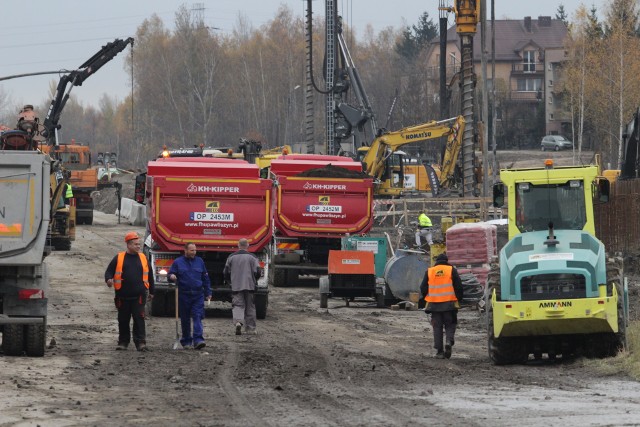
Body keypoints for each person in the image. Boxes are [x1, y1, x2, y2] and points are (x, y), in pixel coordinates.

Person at [104, 232, 154, 351]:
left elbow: (150, 275)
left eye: (139, 244)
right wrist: (108, 279)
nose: (138, 246)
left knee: (139, 318)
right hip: (122, 296)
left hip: (139, 296)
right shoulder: (119, 257)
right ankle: (123, 342)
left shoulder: (143, 258)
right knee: (123, 319)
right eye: (136, 244)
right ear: (129, 245)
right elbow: (109, 271)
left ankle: (141, 343)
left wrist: (152, 291)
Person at [168, 242, 212, 350]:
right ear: (186, 250)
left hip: (198, 294)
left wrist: (208, 292)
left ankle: (198, 340)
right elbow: (170, 274)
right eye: (192, 250)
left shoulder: (200, 261)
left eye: (195, 250)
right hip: (184, 294)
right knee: (185, 318)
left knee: (197, 316)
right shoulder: (178, 262)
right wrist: (172, 276)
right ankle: (186, 341)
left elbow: (205, 278)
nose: (194, 252)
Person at [420, 253, 463, 359]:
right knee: (450, 324)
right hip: (449, 305)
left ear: (437, 261)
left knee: (437, 327)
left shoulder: (430, 271)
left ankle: (439, 352)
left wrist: (428, 297)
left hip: (434, 305)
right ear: (447, 261)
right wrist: (458, 299)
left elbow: (423, 287)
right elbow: (459, 287)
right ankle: (448, 341)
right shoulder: (451, 270)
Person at [223, 238, 261, 336]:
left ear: (238, 245)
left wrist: (230, 282)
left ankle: (238, 322)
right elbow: (258, 272)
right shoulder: (252, 257)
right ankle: (251, 329)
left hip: (236, 285)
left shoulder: (231, 257)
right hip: (250, 285)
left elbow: (226, 272)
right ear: (247, 245)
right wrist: (254, 280)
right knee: (250, 307)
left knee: (238, 305)